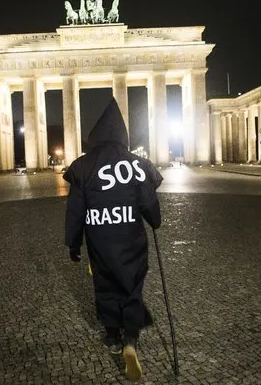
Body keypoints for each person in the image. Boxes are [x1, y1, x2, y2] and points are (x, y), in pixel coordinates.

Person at [64, 97, 163, 381]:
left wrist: (73, 242)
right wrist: (155, 221)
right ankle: (130, 339)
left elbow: (75, 210)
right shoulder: (137, 164)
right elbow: (148, 202)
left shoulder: (83, 166)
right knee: (132, 286)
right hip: (130, 238)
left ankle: (111, 335)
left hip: (100, 238)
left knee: (105, 284)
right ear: (123, 135)